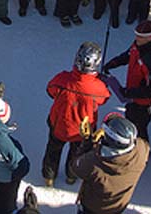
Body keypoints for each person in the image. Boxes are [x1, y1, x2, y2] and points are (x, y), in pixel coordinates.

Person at [43, 42, 110, 187]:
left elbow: (50, 90)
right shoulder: (98, 87)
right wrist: (100, 82)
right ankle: (71, 176)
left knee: (52, 151)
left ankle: (49, 177)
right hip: (82, 131)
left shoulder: (62, 79)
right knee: (76, 154)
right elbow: (104, 99)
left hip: (59, 124)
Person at [71, 114, 150, 214]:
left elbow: (76, 167)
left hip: (92, 208)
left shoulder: (94, 162)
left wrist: (87, 142)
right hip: (119, 205)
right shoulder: (142, 149)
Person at [102, 20, 151, 141]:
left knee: (140, 128)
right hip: (133, 95)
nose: (136, 38)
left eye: (140, 37)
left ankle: (142, 153)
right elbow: (128, 55)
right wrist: (113, 63)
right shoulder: (138, 45)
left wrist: (131, 93)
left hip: (144, 103)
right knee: (130, 119)